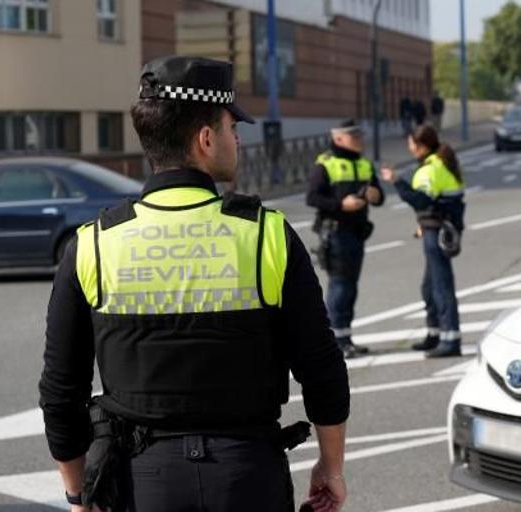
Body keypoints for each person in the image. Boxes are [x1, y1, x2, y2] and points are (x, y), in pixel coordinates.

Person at [39, 56, 350, 512]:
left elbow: (60, 390)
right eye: (230, 128)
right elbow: (322, 367)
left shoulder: (94, 245)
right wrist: (331, 467)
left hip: (140, 483)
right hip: (248, 476)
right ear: (206, 139)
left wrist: (79, 494)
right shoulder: (267, 234)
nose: (237, 139)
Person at [380, 125, 465, 358]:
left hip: (436, 233)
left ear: (422, 146)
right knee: (429, 287)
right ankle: (435, 333)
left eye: (410, 144)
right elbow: (439, 203)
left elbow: (421, 201)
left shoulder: (430, 170)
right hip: (438, 229)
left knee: (441, 287)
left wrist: (397, 181)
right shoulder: (442, 164)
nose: (408, 148)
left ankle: (450, 339)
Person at [306, 119, 385, 358]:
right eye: (354, 136)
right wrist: (341, 204)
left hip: (357, 233)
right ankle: (335, 341)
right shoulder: (326, 164)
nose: (360, 140)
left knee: (350, 287)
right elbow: (312, 198)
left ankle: (345, 338)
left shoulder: (364, 164)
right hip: (335, 232)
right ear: (338, 138)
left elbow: (379, 197)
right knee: (340, 286)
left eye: (360, 136)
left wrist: (376, 194)